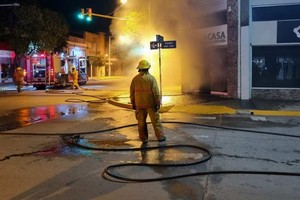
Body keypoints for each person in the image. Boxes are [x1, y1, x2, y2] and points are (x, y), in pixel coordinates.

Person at [130, 59, 166, 143]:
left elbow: (131, 93)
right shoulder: (151, 78)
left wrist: (133, 103)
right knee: (156, 121)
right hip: (151, 104)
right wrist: (157, 102)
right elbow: (156, 92)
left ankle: (144, 138)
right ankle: (160, 137)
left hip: (139, 104)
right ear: (148, 68)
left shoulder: (135, 79)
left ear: (139, 69)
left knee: (141, 122)